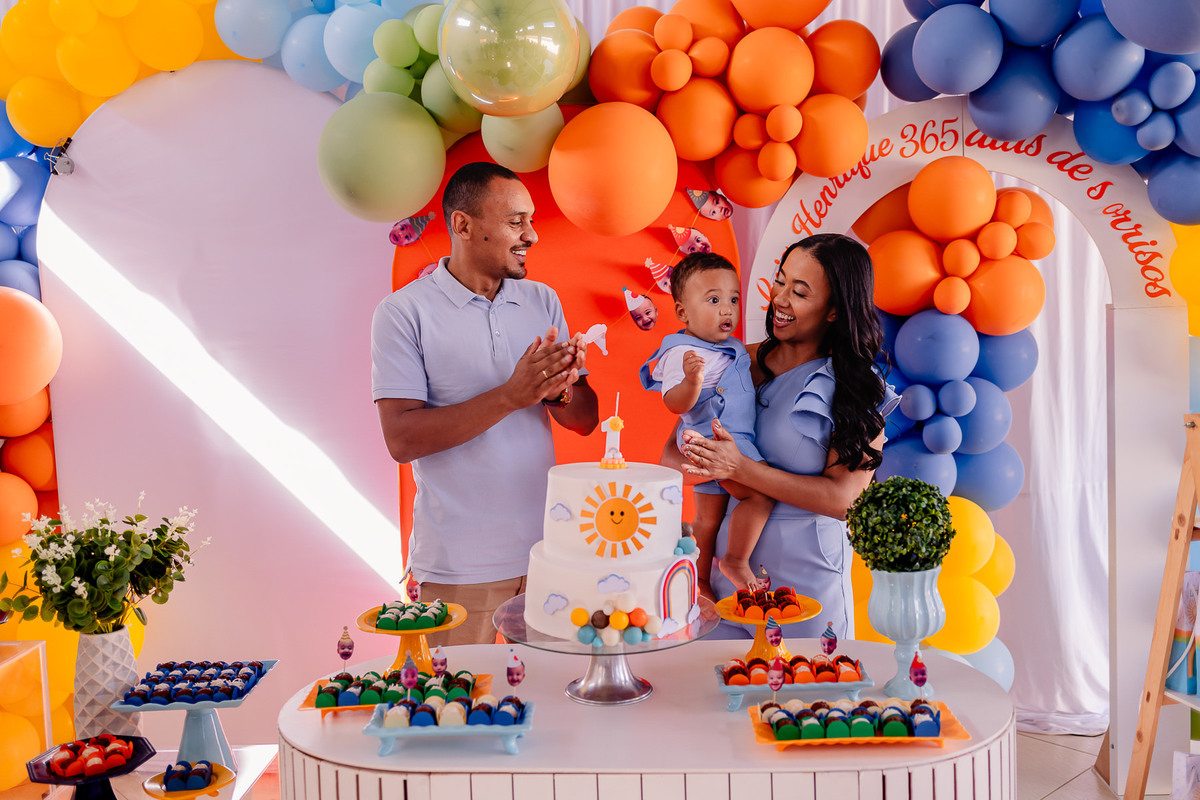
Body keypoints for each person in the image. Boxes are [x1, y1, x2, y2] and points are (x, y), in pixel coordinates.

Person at [371, 161, 599, 646]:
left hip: (547, 556)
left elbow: (583, 420)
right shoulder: (403, 313)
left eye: (530, 221)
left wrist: (558, 386)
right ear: (463, 225)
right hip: (456, 567)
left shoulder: (542, 301)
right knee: (450, 713)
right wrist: (511, 395)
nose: (532, 235)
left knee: (549, 709)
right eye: (517, 221)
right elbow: (402, 438)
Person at [675, 233, 898, 639]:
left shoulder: (857, 388)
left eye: (799, 291)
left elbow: (845, 500)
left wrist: (741, 468)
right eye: (779, 281)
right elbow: (680, 460)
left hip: (807, 590)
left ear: (833, 311)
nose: (779, 298)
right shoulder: (734, 363)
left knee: (801, 698)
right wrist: (702, 574)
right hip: (728, 585)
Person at [639, 252, 774, 592]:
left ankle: (697, 580)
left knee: (707, 519)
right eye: (713, 300)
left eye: (733, 299)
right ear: (682, 312)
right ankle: (735, 561)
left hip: (717, 441)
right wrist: (692, 382)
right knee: (758, 496)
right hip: (716, 441)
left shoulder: (732, 347)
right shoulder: (682, 353)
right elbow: (674, 403)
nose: (727, 309)